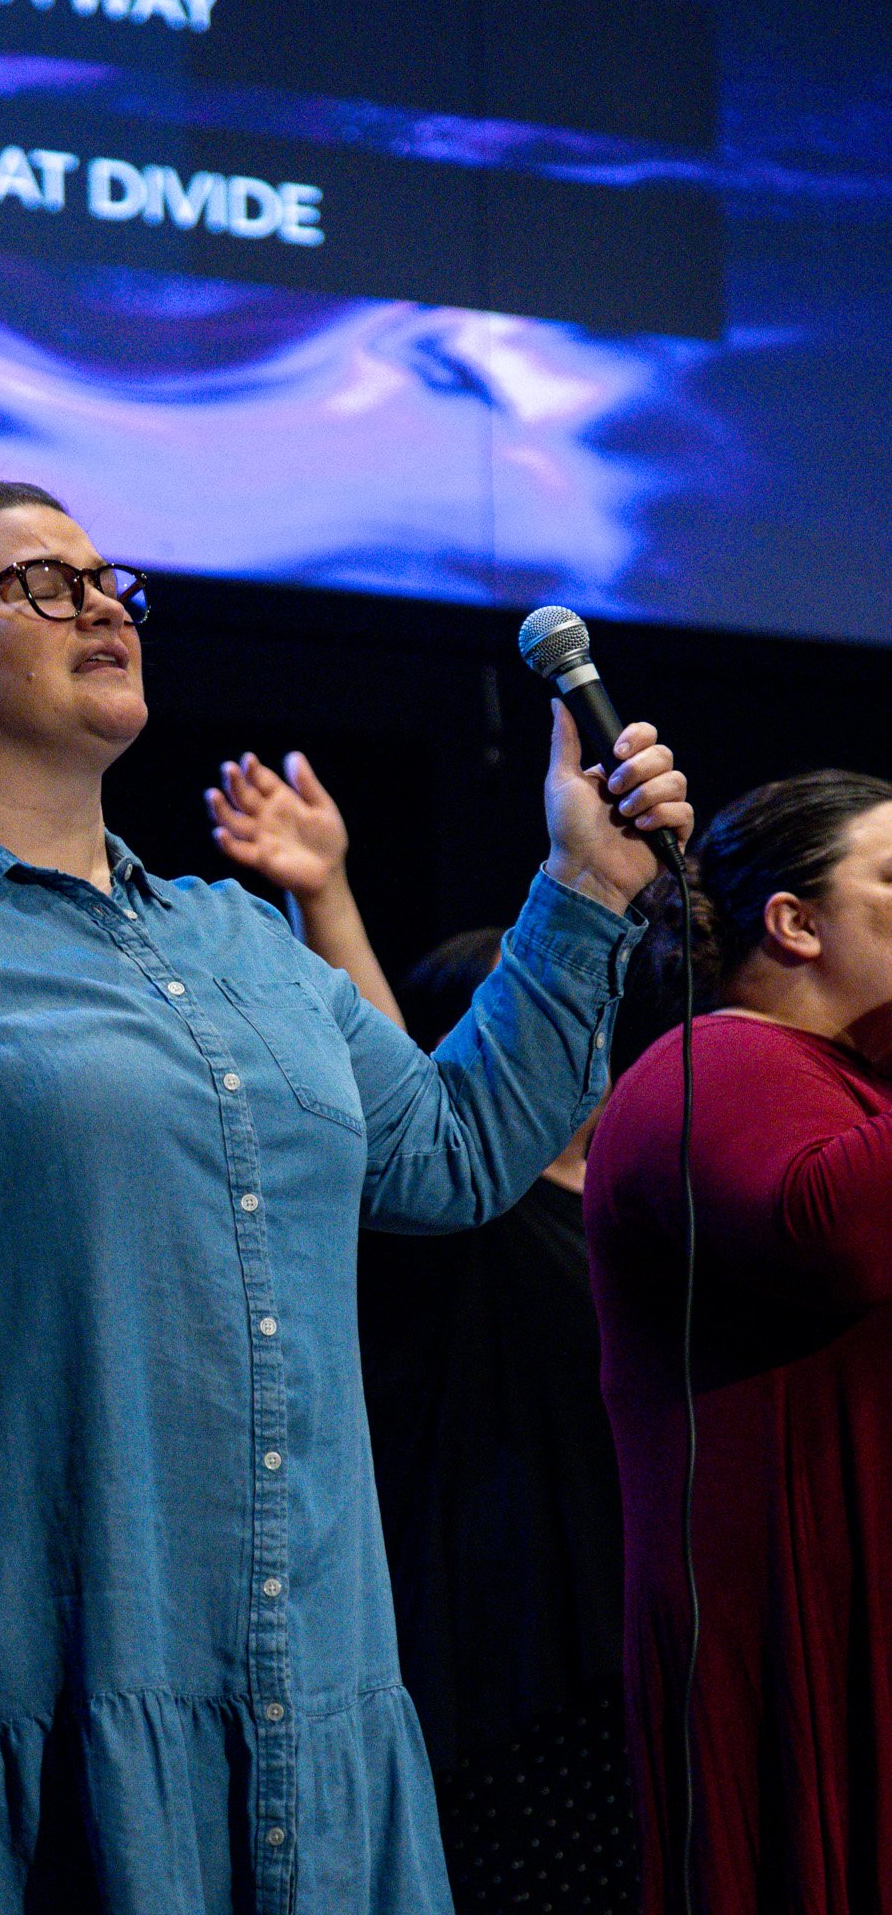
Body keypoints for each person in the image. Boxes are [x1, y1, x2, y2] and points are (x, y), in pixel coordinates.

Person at [0, 435, 692, 1915]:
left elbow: (452, 1156)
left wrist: (585, 887)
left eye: (108, 579)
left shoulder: (236, 941)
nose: (102, 605)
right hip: (6, 1703)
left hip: (298, 1696)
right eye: (45, 586)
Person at [207, 757, 635, 1914]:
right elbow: (407, 1121)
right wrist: (325, 890)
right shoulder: (479, 1215)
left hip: (642, 1645)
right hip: (524, 1660)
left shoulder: (632, 1198)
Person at [583, 770, 892, 1914]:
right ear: (795, 920)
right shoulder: (716, 1064)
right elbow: (834, 1236)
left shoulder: (855, 1087)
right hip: (798, 1631)